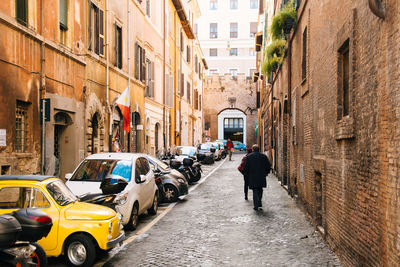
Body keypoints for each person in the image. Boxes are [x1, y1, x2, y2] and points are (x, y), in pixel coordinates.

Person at [243, 144, 271, 211]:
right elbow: (268, 165)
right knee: (260, 189)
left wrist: (246, 175)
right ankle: (259, 202)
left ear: (253, 149)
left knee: (255, 190)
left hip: (252, 176)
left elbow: (246, 168)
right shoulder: (263, 156)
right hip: (261, 176)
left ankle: (256, 205)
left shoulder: (249, 157)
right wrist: (266, 173)